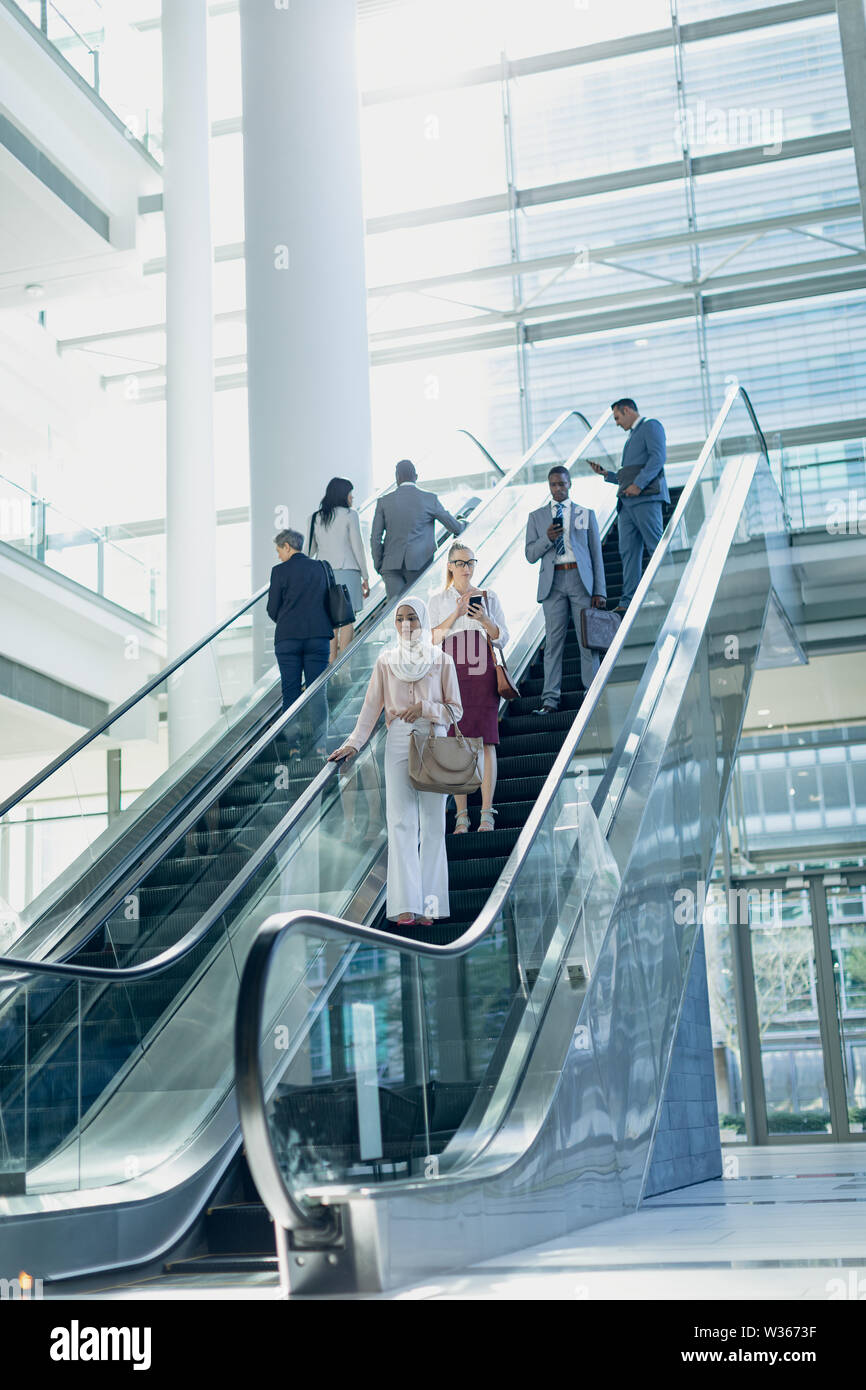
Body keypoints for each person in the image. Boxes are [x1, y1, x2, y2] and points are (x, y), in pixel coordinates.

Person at [329, 596, 462, 927]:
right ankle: (406, 905)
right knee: (400, 822)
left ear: (423, 620)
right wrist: (353, 744)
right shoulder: (386, 661)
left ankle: (430, 905)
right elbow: (370, 708)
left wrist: (426, 709)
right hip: (399, 740)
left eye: (412, 618)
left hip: (433, 740)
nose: (406, 624)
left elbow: (456, 711)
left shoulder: (441, 660)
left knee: (433, 825)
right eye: (400, 618)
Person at [428, 542, 509, 833]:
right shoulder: (438, 599)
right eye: (461, 563)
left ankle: (487, 813)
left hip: (482, 672)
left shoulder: (488, 596)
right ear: (450, 566)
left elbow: (502, 638)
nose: (466, 568)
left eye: (470, 562)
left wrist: (483, 618)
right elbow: (432, 639)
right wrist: (457, 612)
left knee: (486, 741)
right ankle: (461, 816)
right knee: (455, 742)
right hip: (451, 674)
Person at [524, 466, 607, 715]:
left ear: (570, 484)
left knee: (587, 641)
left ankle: (592, 693)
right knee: (553, 643)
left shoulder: (585, 513)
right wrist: (548, 538)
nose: (558, 488)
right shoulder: (536, 517)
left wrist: (600, 590)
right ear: (549, 486)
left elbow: (596, 554)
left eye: (562, 483)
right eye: (553, 484)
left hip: (581, 580)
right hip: (553, 582)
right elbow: (530, 555)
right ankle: (550, 700)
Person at [588, 398, 669, 612]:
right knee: (628, 552)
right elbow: (629, 474)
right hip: (627, 503)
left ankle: (672, 590)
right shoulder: (632, 436)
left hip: (645, 499)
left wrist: (639, 485)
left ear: (626, 410)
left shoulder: (651, 426)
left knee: (656, 546)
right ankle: (628, 601)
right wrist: (607, 474)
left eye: (617, 417)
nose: (616, 423)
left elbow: (658, 458)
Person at [267, 529, 332, 753]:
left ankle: (293, 746)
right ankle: (320, 746)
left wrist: (287, 619)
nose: (278, 556)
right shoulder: (320, 567)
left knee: (290, 692)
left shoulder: (279, 572)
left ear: (287, 547)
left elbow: (272, 609)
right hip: (318, 637)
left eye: (279, 550)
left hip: (287, 639)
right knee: (317, 692)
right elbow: (328, 601)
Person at [370, 459, 466, 601]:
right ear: (416, 476)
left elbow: (375, 538)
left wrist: (379, 564)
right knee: (418, 606)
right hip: (420, 563)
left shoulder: (384, 501)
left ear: (397, 477)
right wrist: (463, 523)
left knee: (396, 609)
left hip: (390, 565)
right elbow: (454, 527)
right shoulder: (429, 499)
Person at [308, 476, 371, 662]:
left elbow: (309, 551)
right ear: (343, 494)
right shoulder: (350, 515)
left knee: (330, 621)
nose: (352, 497)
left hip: (324, 574)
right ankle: (344, 666)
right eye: (350, 493)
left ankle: (331, 666)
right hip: (348, 571)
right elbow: (357, 547)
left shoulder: (316, 517)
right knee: (347, 620)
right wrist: (366, 576)